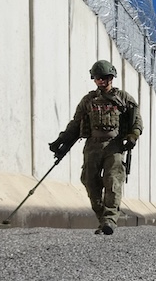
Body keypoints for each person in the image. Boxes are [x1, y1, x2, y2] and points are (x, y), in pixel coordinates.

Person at [49, 60, 142, 235]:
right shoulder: (88, 100)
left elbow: (137, 121)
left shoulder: (123, 98)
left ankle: (110, 219)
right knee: (90, 182)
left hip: (114, 146)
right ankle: (102, 219)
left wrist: (133, 136)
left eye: (106, 78)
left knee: (113, 181)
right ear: (94, 79)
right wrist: (61, 141)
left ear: (112, 78)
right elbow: (75, 125)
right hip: (92, 145)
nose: (102, 81)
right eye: (99, 78)